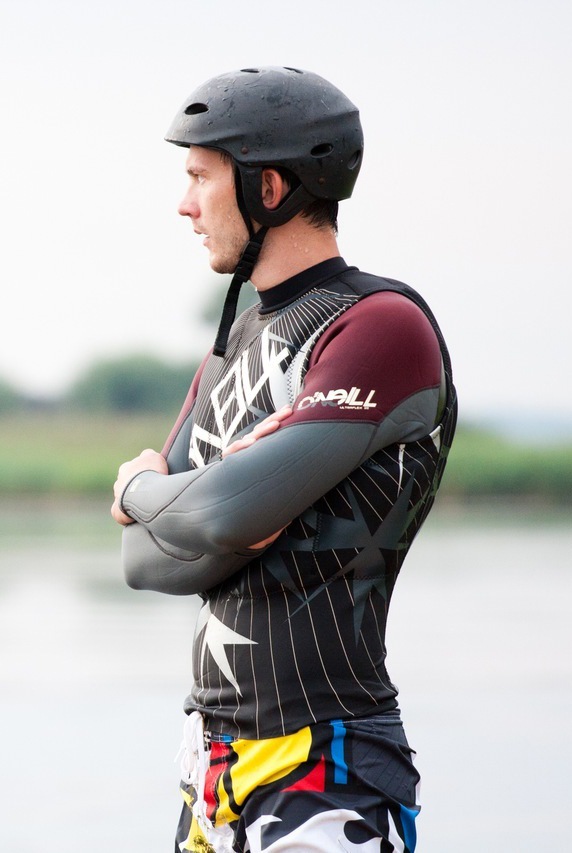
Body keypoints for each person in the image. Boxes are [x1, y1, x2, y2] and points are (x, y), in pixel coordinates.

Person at [111, 66, 457, 853]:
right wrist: (189, 505)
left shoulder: (377, 325)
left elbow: (222, 511)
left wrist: (150, 488)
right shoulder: (231, 344)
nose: (185, 204)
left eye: (201, 176)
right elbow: (141, 558)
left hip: (326, 762)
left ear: (268, 188)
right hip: (210, 768)